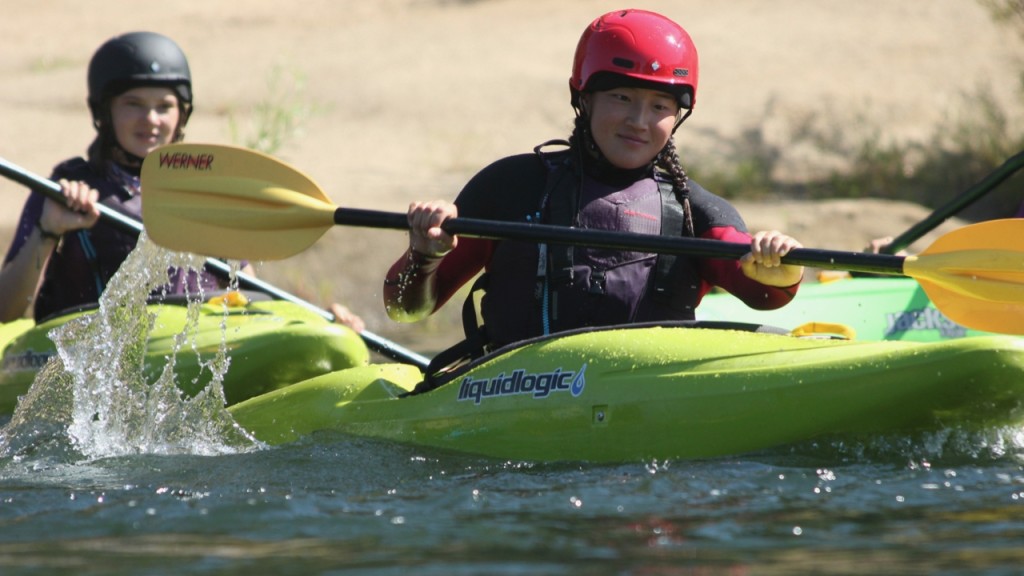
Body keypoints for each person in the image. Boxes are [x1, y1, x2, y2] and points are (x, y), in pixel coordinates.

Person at [383, 9, 803, 350]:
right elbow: (404, 309)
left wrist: (779, 267)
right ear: (584, 97)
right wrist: (424, 255)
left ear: (678, 117)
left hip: (648, 402)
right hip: (513, 394)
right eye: (621, 98)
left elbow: (763, 297)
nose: (639, 122)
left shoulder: (696, 211)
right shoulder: (510, 188)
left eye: (659, 105)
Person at [0, 31, 365, 332]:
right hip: (92, 347)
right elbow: (7, 310)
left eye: (164, 106)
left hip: (193, 338)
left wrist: (318, 324)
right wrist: (49, 228)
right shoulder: (65, 189)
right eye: (133, 104)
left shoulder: (203, 188)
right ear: (104, 111)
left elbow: (252, 294)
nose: (151, 119)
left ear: (182, 114)